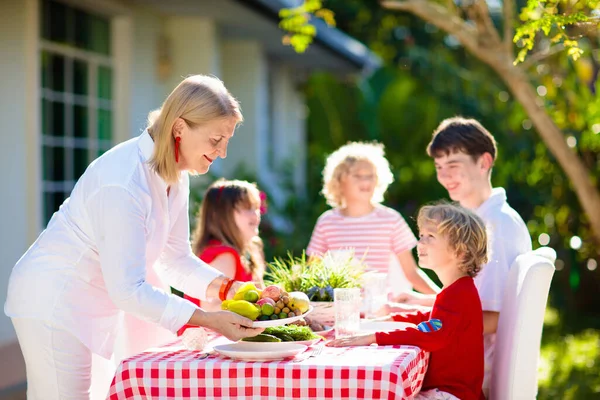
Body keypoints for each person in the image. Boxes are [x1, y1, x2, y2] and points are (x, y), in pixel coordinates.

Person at [4, 75, 264, 400]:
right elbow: (128, 290)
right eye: (215, 139)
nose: (222, 152)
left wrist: (230, 288)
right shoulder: (123, 183)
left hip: (96, 307)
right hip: (54, 301)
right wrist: (209, 319)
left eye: (226, 140)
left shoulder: (176, 175)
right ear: (180, 128)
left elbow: (175, 259)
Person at [389, 117, 532, 395]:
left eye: (453, 165)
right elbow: (468, 306)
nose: (444, 176)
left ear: (484, 162)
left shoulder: (494, 227)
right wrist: (420, 301)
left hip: (472, 379)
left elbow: (490, 318)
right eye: (439, 167)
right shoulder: (485, 219)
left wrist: (416, 324)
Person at [329, 203, 488, 400]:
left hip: (450, 394)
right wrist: (393, 319)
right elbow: (433, 319)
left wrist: (374, 337)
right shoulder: (457, 289)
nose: (420, 242)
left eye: (430, 236)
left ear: (460, 251)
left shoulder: (459, 293)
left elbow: (433, 334)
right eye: (421, 235)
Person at [306, 141, 440, 295]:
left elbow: (411, 272)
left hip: (382, 309)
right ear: (339, 180)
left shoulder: (391, 220)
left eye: (371, 176)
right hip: (340, 310)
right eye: (358, 175)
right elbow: (313, 273)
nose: (366, 181)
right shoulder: (326, 222)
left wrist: (442, 298)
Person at [177, 179, 266, 334]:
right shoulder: (224, 255)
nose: (256, 214)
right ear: (222, 216)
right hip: (204, 343)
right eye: (247, 208)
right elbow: (210, 308)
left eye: (256, 208)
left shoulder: (247, 251)